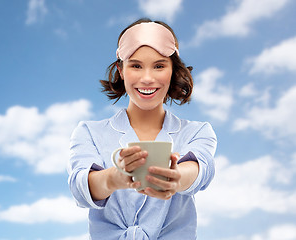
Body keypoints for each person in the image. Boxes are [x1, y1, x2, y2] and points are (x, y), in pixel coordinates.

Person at [67, 18, 217, 240]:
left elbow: (200, 170)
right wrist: (115, 178)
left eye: (159, 66)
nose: (147, 78)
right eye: (136, 65)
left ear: (173, 70)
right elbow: (81, 188)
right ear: (121, 70)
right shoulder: (88, 132)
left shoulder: (197, 132)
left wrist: (176, 178)